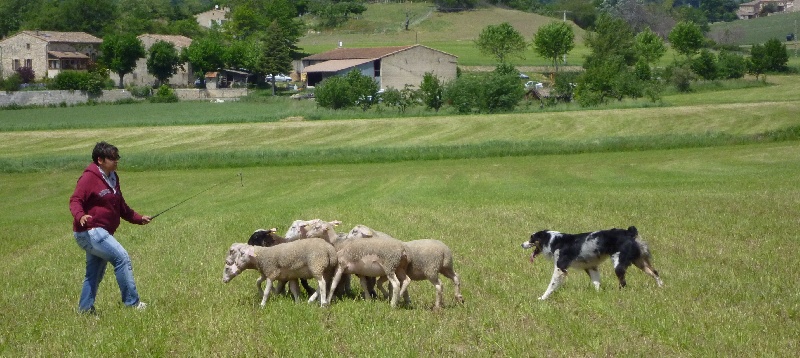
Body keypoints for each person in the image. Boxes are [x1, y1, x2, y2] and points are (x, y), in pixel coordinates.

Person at [69, 141, 151, 313]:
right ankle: (132, 303)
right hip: (89, 231)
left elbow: (121, 206)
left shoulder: (113, 177)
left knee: (94, 273)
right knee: (122, 258)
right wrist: (80, 215)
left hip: (100, 232)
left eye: (117, 157)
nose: (116, 161)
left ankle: (84, 311)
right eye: (112, 158)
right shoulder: (89, 178)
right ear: (100, 160)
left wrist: (138, 218)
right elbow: (75, 200)